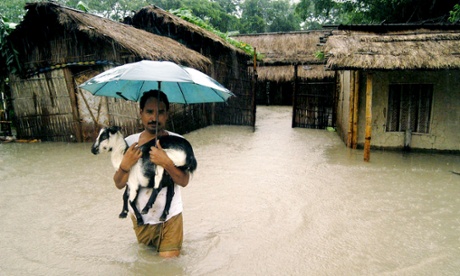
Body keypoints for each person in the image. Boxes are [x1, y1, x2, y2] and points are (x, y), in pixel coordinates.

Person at [113, 89, 193, 258]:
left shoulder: (178, 142)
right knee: (148, 264)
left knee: (167, 267)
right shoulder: (129, 143)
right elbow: (119, 183)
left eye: (160, 112)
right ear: (140, 113)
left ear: (167, 115)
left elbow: (184, 181)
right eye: (149, 112)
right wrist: (125, 166)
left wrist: (166, 162)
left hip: (170, 218)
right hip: (141, 219)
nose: (154, 118)